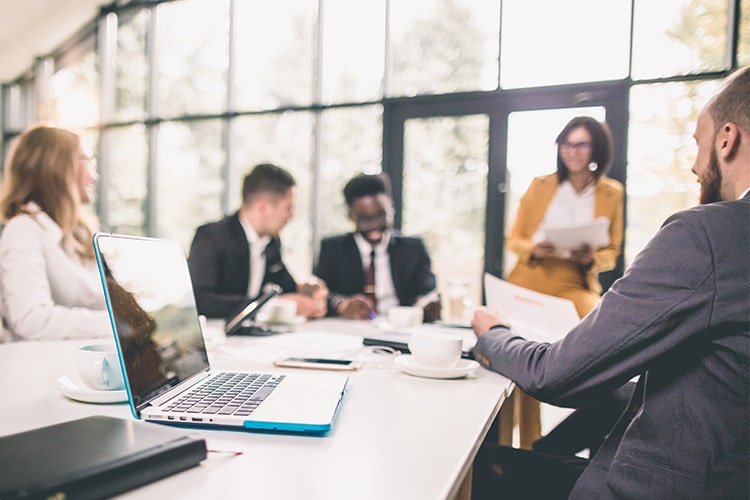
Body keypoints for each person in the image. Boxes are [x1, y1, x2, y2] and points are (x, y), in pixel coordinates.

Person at [470, 66, 750, 499]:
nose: (695, 164)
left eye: (698, 142)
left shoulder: (709, 234)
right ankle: (542, 444)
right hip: (723, 468)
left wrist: (492, 336)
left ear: (727, 139)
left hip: (657, 483)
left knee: (473, 469)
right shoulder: (540, 186)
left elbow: (557, 376)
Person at [504, 116, 625, 448]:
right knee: (526, 352)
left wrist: (592, 258)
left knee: (603, 336)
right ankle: (530, 446)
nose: (573, 151)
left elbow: (612, 251)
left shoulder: (612, 193)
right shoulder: (540, 185)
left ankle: (595, 425)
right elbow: (513, 238)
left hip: (574, 282)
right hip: (530, 277)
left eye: (581, 143)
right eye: (567, 143)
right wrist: (534, 247)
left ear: (595, 148)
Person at [0, 126, 111, 341]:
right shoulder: (23, 230)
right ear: (57, 168)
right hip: (46, 367)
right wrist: (118, 325)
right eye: (87, 161)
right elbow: (30, 319)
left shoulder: (80, 233)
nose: (94, 176)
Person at [188, 163, 327, 320]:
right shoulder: (211, 237)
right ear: (263, 207)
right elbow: (200, 299)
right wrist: (272, 305)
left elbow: (287, 287)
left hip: (255, 336)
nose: (291, 216)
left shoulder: (272, 243)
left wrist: (307, 291)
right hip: (216, 335)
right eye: (288, 208)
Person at [314, 173, 440, 321]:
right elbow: (320, 291)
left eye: (381, 216)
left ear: (391, 209)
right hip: (351, 329)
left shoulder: (413, 248)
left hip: (401, 328)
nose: (374, 225)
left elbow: (428, 291)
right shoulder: (333, 248)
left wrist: (425, 305)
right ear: (350, 216)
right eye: (365, 219)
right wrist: (342, 304)